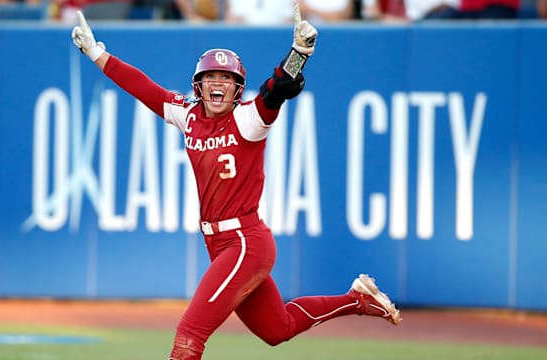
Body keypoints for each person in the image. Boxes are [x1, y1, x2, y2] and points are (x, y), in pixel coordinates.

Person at [72, 6, 401, 359]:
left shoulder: (248, 118)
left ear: (237, 87)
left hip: (245, 242)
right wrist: (95, 52)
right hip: (219, 243)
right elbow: (143, 87)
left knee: (189, 334)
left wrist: (298, 55)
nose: (218, 83)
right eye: (211, 76)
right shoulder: (188, 114)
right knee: (279, 329)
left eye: (227, 78)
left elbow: (277, 88)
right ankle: (359, 301)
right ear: (198, 84)